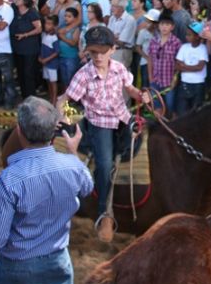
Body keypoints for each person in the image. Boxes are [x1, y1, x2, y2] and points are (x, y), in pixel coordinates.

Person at [0, 96, 94, 284]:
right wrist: (73, 152)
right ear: (53, 132)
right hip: (59, 263)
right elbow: (88, 187)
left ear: (19, 131)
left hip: (17, 267)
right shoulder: (73, 167)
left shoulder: (9, 179)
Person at [57, 27, 151, 243]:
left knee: (149, 139)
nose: (98, 57)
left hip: (123, 117)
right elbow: (66, 99)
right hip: (99, 125)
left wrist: (140, 95)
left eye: (103, 51)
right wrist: (64, 116)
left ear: (113, 49)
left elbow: (130, 89)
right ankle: (104, 214)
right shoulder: (84, 75)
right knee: (106, 164)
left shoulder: (119, 68)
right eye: (93, 52)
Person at [10, 0, 42, 100]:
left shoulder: (32, 13)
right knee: (20, 73)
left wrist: (25, 35)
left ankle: (31, 97)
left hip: (29, 47)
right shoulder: (14, 10)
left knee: (28, 73)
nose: (16, 0)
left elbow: (39, 28)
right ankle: (24, 95)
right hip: (17, 47)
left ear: (25, 1)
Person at [148, 13, 182, 116]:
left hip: (169, 81)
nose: (164, 27)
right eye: (162, 24)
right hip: (155, 79)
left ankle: (170, 121)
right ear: (158, 25)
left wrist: (175, 79)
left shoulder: (176, 42)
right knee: (157, 106)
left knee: (170, 105)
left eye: (167, 25)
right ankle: (159, 122)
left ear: (172, 27)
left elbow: (179, 63)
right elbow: (150, 59)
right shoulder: (153, 41)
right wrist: (150, 77)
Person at [175, 21, 208, 116]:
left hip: (198, 85)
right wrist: (193, 68)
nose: (186, 36)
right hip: (184, 83)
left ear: (197, 36)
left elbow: (200, 67)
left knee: (196, 112)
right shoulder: (184, 47)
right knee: (182, 112)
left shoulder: (203, 48)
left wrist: (184, 66)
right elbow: (177, 65)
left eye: (189, 35)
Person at [40, 15, 60, 105]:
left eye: (49, 24)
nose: (46, 26)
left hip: (52, 64)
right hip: (45, 63)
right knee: (48, 81)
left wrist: (47, 59)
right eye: (46, 23)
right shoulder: (44, 35)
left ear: (54, 26)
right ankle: (51, 97)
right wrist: (41, 57)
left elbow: (57, 52)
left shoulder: (54, 38)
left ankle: (54, 100)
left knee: (53, 82)